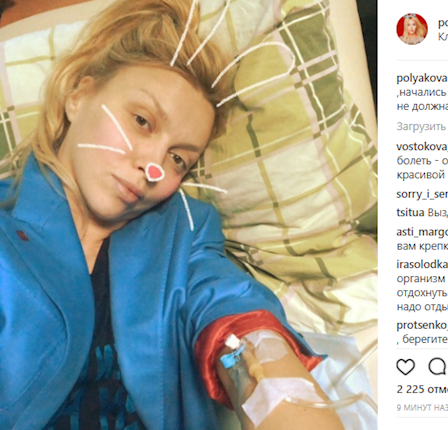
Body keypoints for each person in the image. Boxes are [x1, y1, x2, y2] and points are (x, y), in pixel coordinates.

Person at [0, 0, 344, 429]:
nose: (153, 167)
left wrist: (278, 384)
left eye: (178, 159)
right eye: (142, 121)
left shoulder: (184, 233)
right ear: (79, 96)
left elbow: (234, 312)